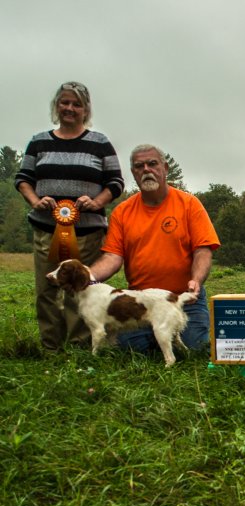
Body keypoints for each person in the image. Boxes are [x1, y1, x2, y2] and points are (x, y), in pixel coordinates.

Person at [15, 81, 124, 350]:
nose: (70, 108)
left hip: (87, 235)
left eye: (76, 104)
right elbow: (23, 179)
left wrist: (96, 200)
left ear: (86, 110)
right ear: (56, 106)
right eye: (64, 102)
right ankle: (51, 348)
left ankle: (81, 348)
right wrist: (35, 200)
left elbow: (115, 183)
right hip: (46, 232)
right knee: (47, 291)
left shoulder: (100, 143)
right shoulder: (39, 141)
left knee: (83, 291)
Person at [89, 144, 220, 353]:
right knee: (134, 350)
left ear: (165, 168)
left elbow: (203, 250)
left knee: (195, 348)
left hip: (183, 299)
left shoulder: (189, 204)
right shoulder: (122, 212)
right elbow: (112, 257)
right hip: (140, 302)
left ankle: (169, 335)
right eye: (139, 166)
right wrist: (88, 275)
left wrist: (196, 281)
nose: (146, 170)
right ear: (133, 173)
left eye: (152, 164)